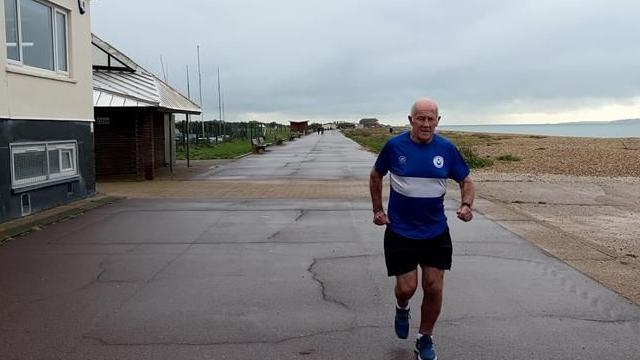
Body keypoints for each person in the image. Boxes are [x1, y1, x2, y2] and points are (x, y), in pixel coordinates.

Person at [369, 98, 475, 360]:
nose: (426, 124)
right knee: (407, 288)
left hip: (435, 231)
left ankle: (424, 338)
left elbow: (466, 180)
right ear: (411, 120)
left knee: (433, 286)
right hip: (400, 231)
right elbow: (375, 175)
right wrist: (378, 210)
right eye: (421, 118)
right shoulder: (394, 147)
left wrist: (466, 204)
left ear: (438, 121)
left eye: (431, 119)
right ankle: (402, 306)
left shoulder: (447, 149)